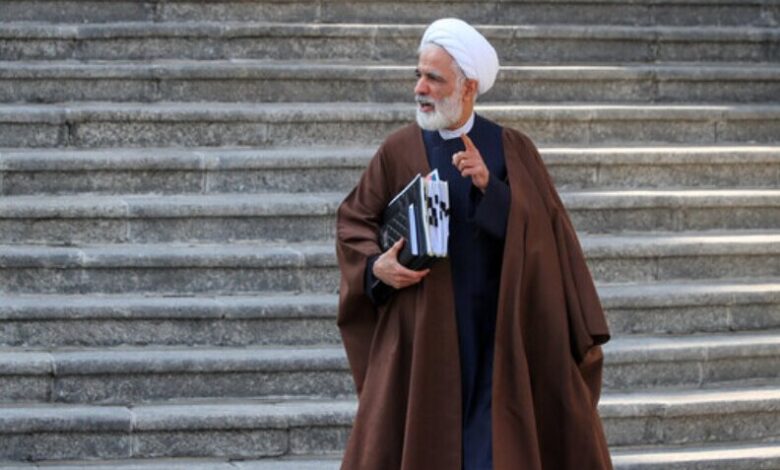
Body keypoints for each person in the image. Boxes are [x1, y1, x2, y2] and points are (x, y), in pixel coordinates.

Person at [336, 18, 613, 470]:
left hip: (497, 336)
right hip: (423, 337)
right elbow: (354, 220)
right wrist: (374, 267)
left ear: (469, 87)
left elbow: (548, 238)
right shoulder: (399, 149)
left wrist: (492, 190)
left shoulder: (511, 149)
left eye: (434, 78)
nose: (420, 88)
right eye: (418, 75)